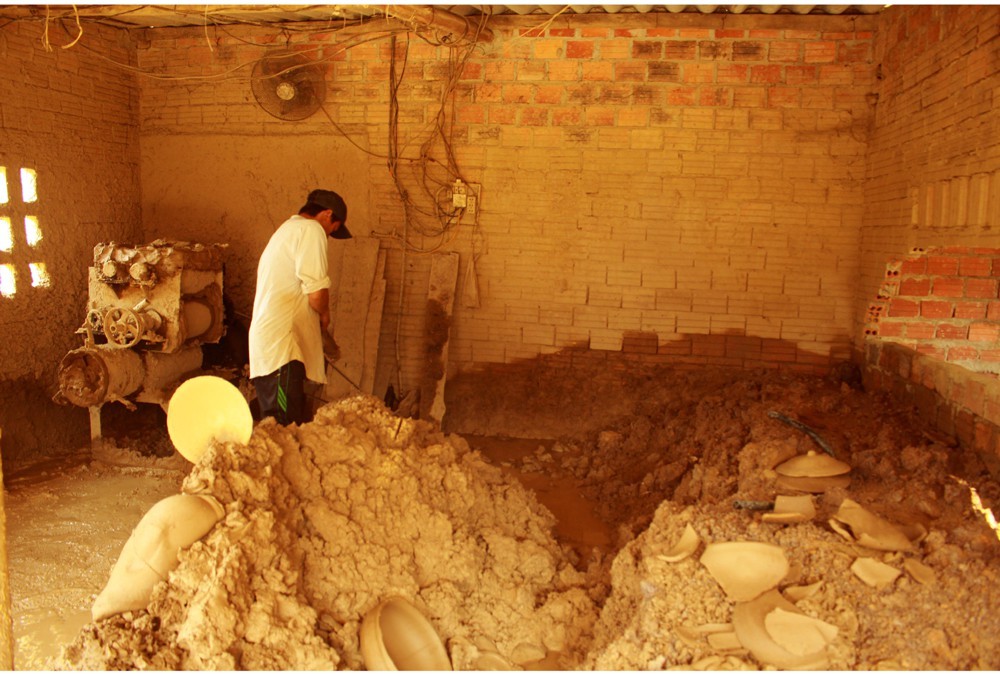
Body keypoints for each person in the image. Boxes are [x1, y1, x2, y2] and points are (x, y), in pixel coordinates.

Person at [248, 189, 351, 425]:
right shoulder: (311, 230)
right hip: (281, 349)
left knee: (282, 425)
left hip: (275, 348)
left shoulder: (288, 230)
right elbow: (316, 292)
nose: (328, 236)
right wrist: (324, 314)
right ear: (327, 214)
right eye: (333, 229)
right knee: (283, 427)